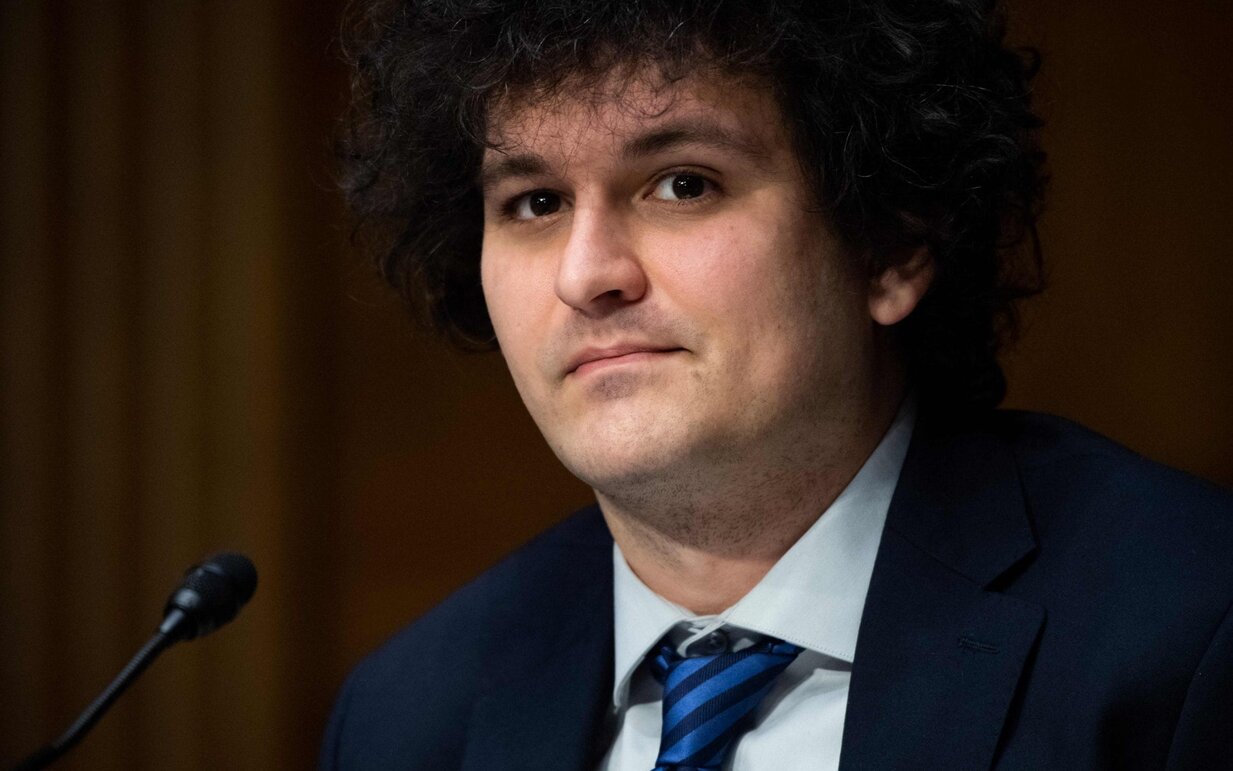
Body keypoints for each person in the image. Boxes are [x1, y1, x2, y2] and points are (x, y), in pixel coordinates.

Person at [321, 1, 1233, 768]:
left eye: (682, 184)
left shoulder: (1189, 632)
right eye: (535, 203)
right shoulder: (406, 717)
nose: (585, 274)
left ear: (889, 245)